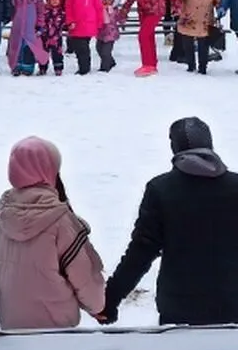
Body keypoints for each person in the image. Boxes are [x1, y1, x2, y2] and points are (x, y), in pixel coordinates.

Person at [0, 137, 105, 330]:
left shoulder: (1, 216)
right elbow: (83, 276)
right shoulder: (61, 220)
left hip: (12, 330)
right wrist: (98, 306)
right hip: (59, 333)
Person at [101, 117, 238, 326]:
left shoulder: (161, 189)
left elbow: (141, 251)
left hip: (180, 307)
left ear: (175, 147)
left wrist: (110, 299)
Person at [7, 0, 48, 76]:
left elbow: (41, 12)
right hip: (18, 26)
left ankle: (28, 67)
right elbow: (13, 10)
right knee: (17, 47)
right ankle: (16, 66)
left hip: (31, 27)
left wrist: (40, 25)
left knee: (29, 47)